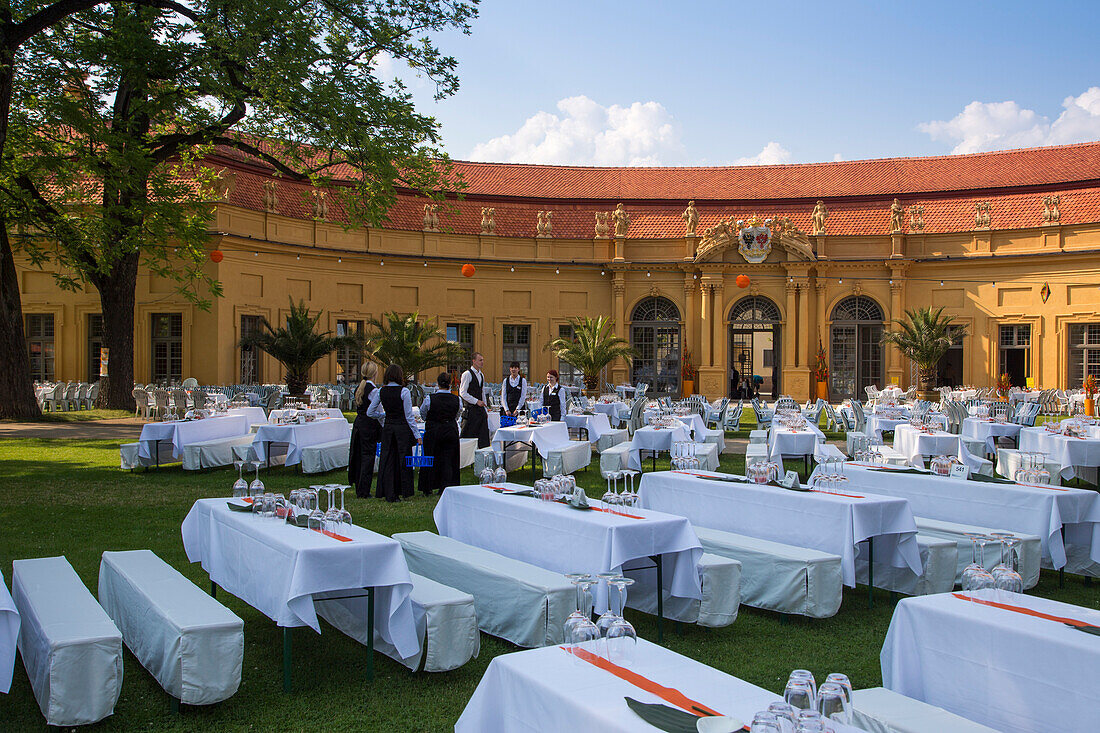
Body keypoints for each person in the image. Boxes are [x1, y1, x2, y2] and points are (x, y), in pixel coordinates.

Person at [367, 364, 422, 502]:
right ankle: (402, 490)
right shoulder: (404, 391)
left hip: (388, 428)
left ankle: (388, 491)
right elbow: (409, 415)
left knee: (388, 460)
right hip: (402, 429)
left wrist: (383, 415)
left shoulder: (381, 391)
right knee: (402, 460)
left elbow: (370, 412)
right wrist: (417, 434)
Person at [418, 372, 461, 495]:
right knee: (448, 459)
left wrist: (432, 420)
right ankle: (446, 485)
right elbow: (457, 415)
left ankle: (428, 487)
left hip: (434, 430)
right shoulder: (456, 399)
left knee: (430, 458)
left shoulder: (430, 399)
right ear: (450, 384)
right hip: (450, 430)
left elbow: (423, 414)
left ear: (438, 383)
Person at [348, 361, 380, 498]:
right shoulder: (373, 391)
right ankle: (364, 490)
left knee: (358, 456)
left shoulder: (359, 388)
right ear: (375, 374)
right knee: (368, 457)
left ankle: (358, 486)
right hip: (368, 426)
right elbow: (376, 410)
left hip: (358, 424)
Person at [459, 352, 490, 447]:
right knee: (468, 435)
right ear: (474, 361)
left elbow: (482, 392)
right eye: (480, 360)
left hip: (480, 410)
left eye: (482, 360)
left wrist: (485, 408)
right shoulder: (467, 374)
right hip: (471, 409)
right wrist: (476, 401)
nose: (482, 362)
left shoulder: (481, 375)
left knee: (483, 435)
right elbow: (463, 393)